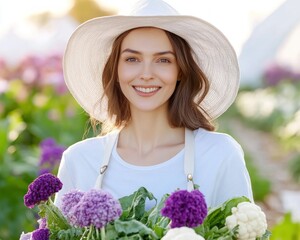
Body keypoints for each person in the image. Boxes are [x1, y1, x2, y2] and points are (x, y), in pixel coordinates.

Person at [54, 0, 253, 209]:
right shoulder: (80, 160)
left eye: (163, 60)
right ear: (116, 70)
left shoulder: (219, 155)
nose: (146, 74)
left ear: (181, 71)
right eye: (132, 59)